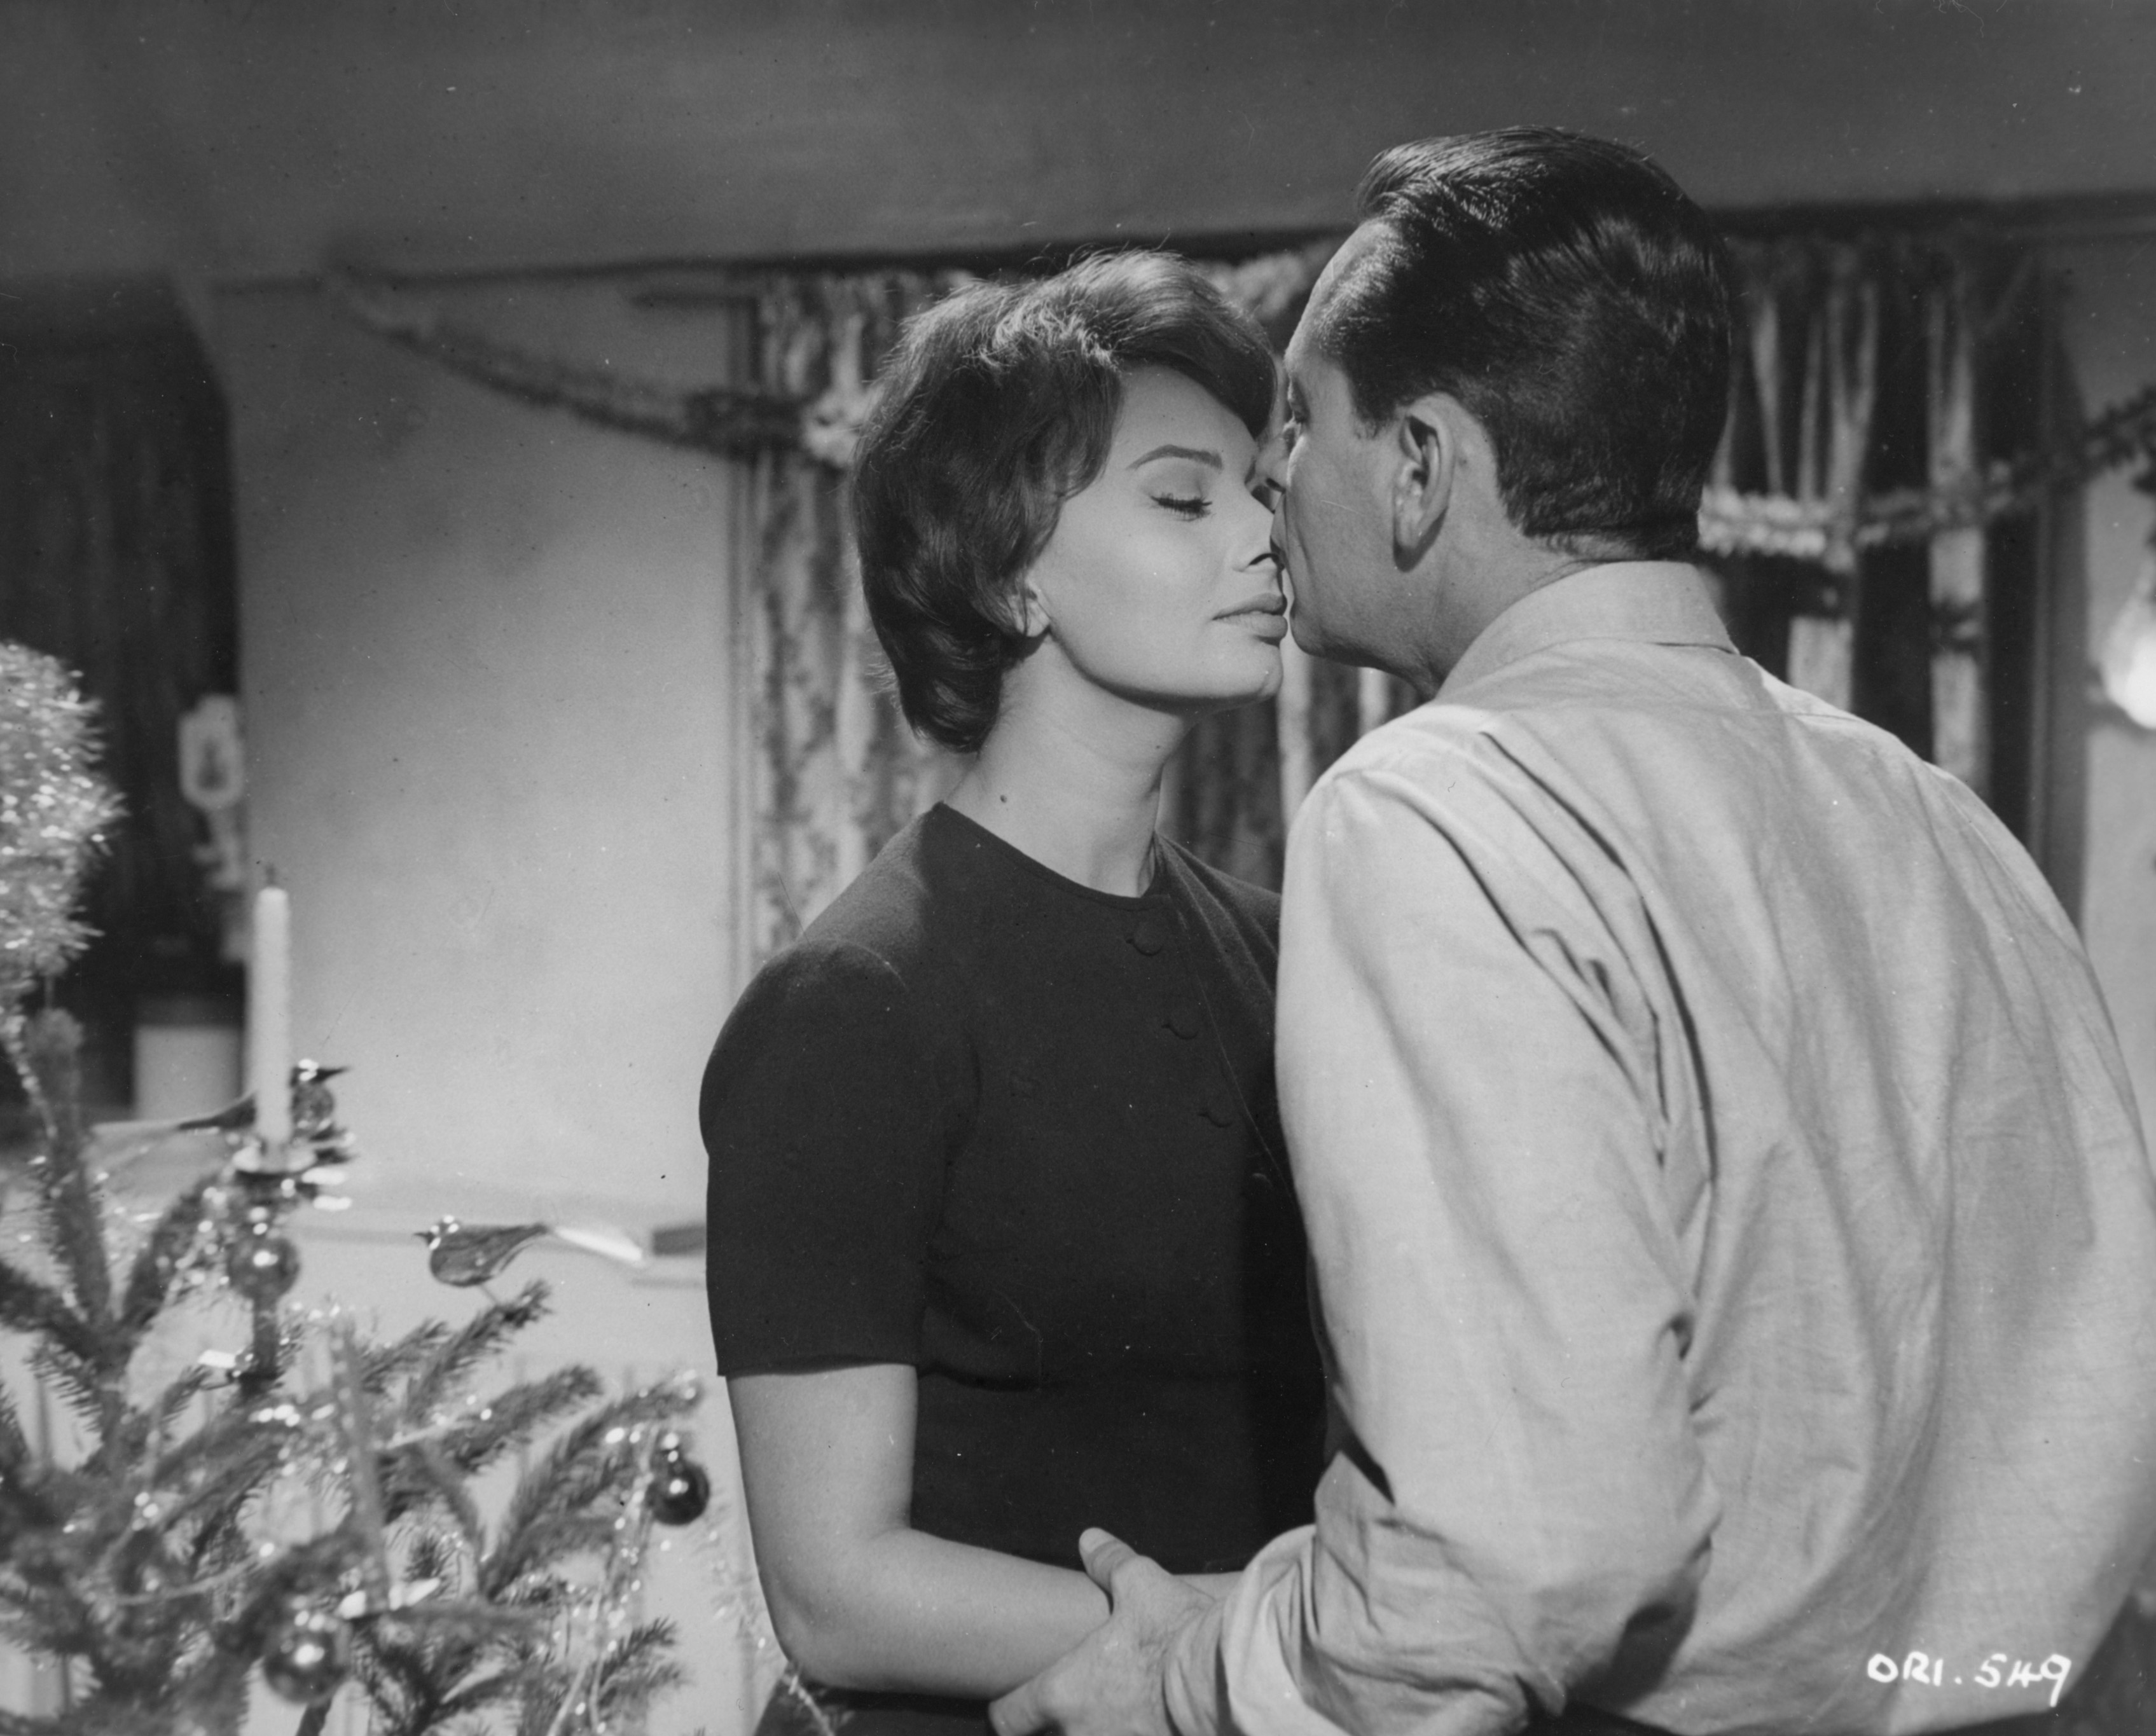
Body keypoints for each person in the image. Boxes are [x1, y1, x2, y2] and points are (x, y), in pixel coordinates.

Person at [990, 129, 2156, 1736]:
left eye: (1301, 424)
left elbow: (1520, 1559)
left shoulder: (1439, 806)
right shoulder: (1937, 815)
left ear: (1421, 466)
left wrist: (1186, 1680)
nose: (1274, 480)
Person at [701, 251, 1328, 1736]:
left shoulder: (1287, 951)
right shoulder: (856, 1001)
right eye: (1185, 500)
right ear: (1006, 573)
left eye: (1259, 492)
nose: (1265, 536)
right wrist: (1272, 1639)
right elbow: (834, 1590)